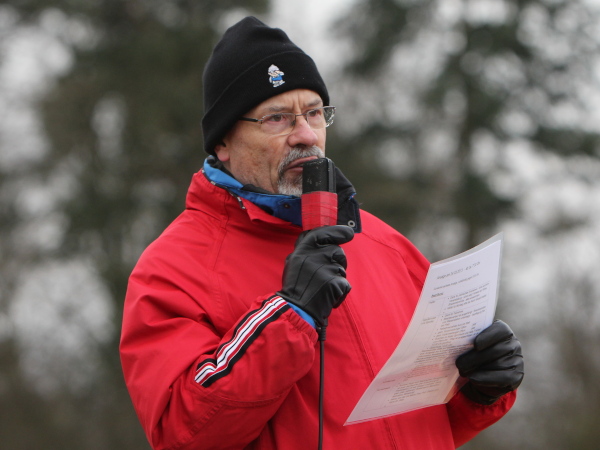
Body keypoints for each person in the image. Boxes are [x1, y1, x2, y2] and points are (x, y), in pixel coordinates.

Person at [119, 16, 524, 450]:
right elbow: (182, 433)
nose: (306, 135)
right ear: (223, 142)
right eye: (277, 118)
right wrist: (290, 314)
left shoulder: (385, 244)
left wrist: (479, 389)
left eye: (314, 113)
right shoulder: (171, 269)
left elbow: (421, 423)